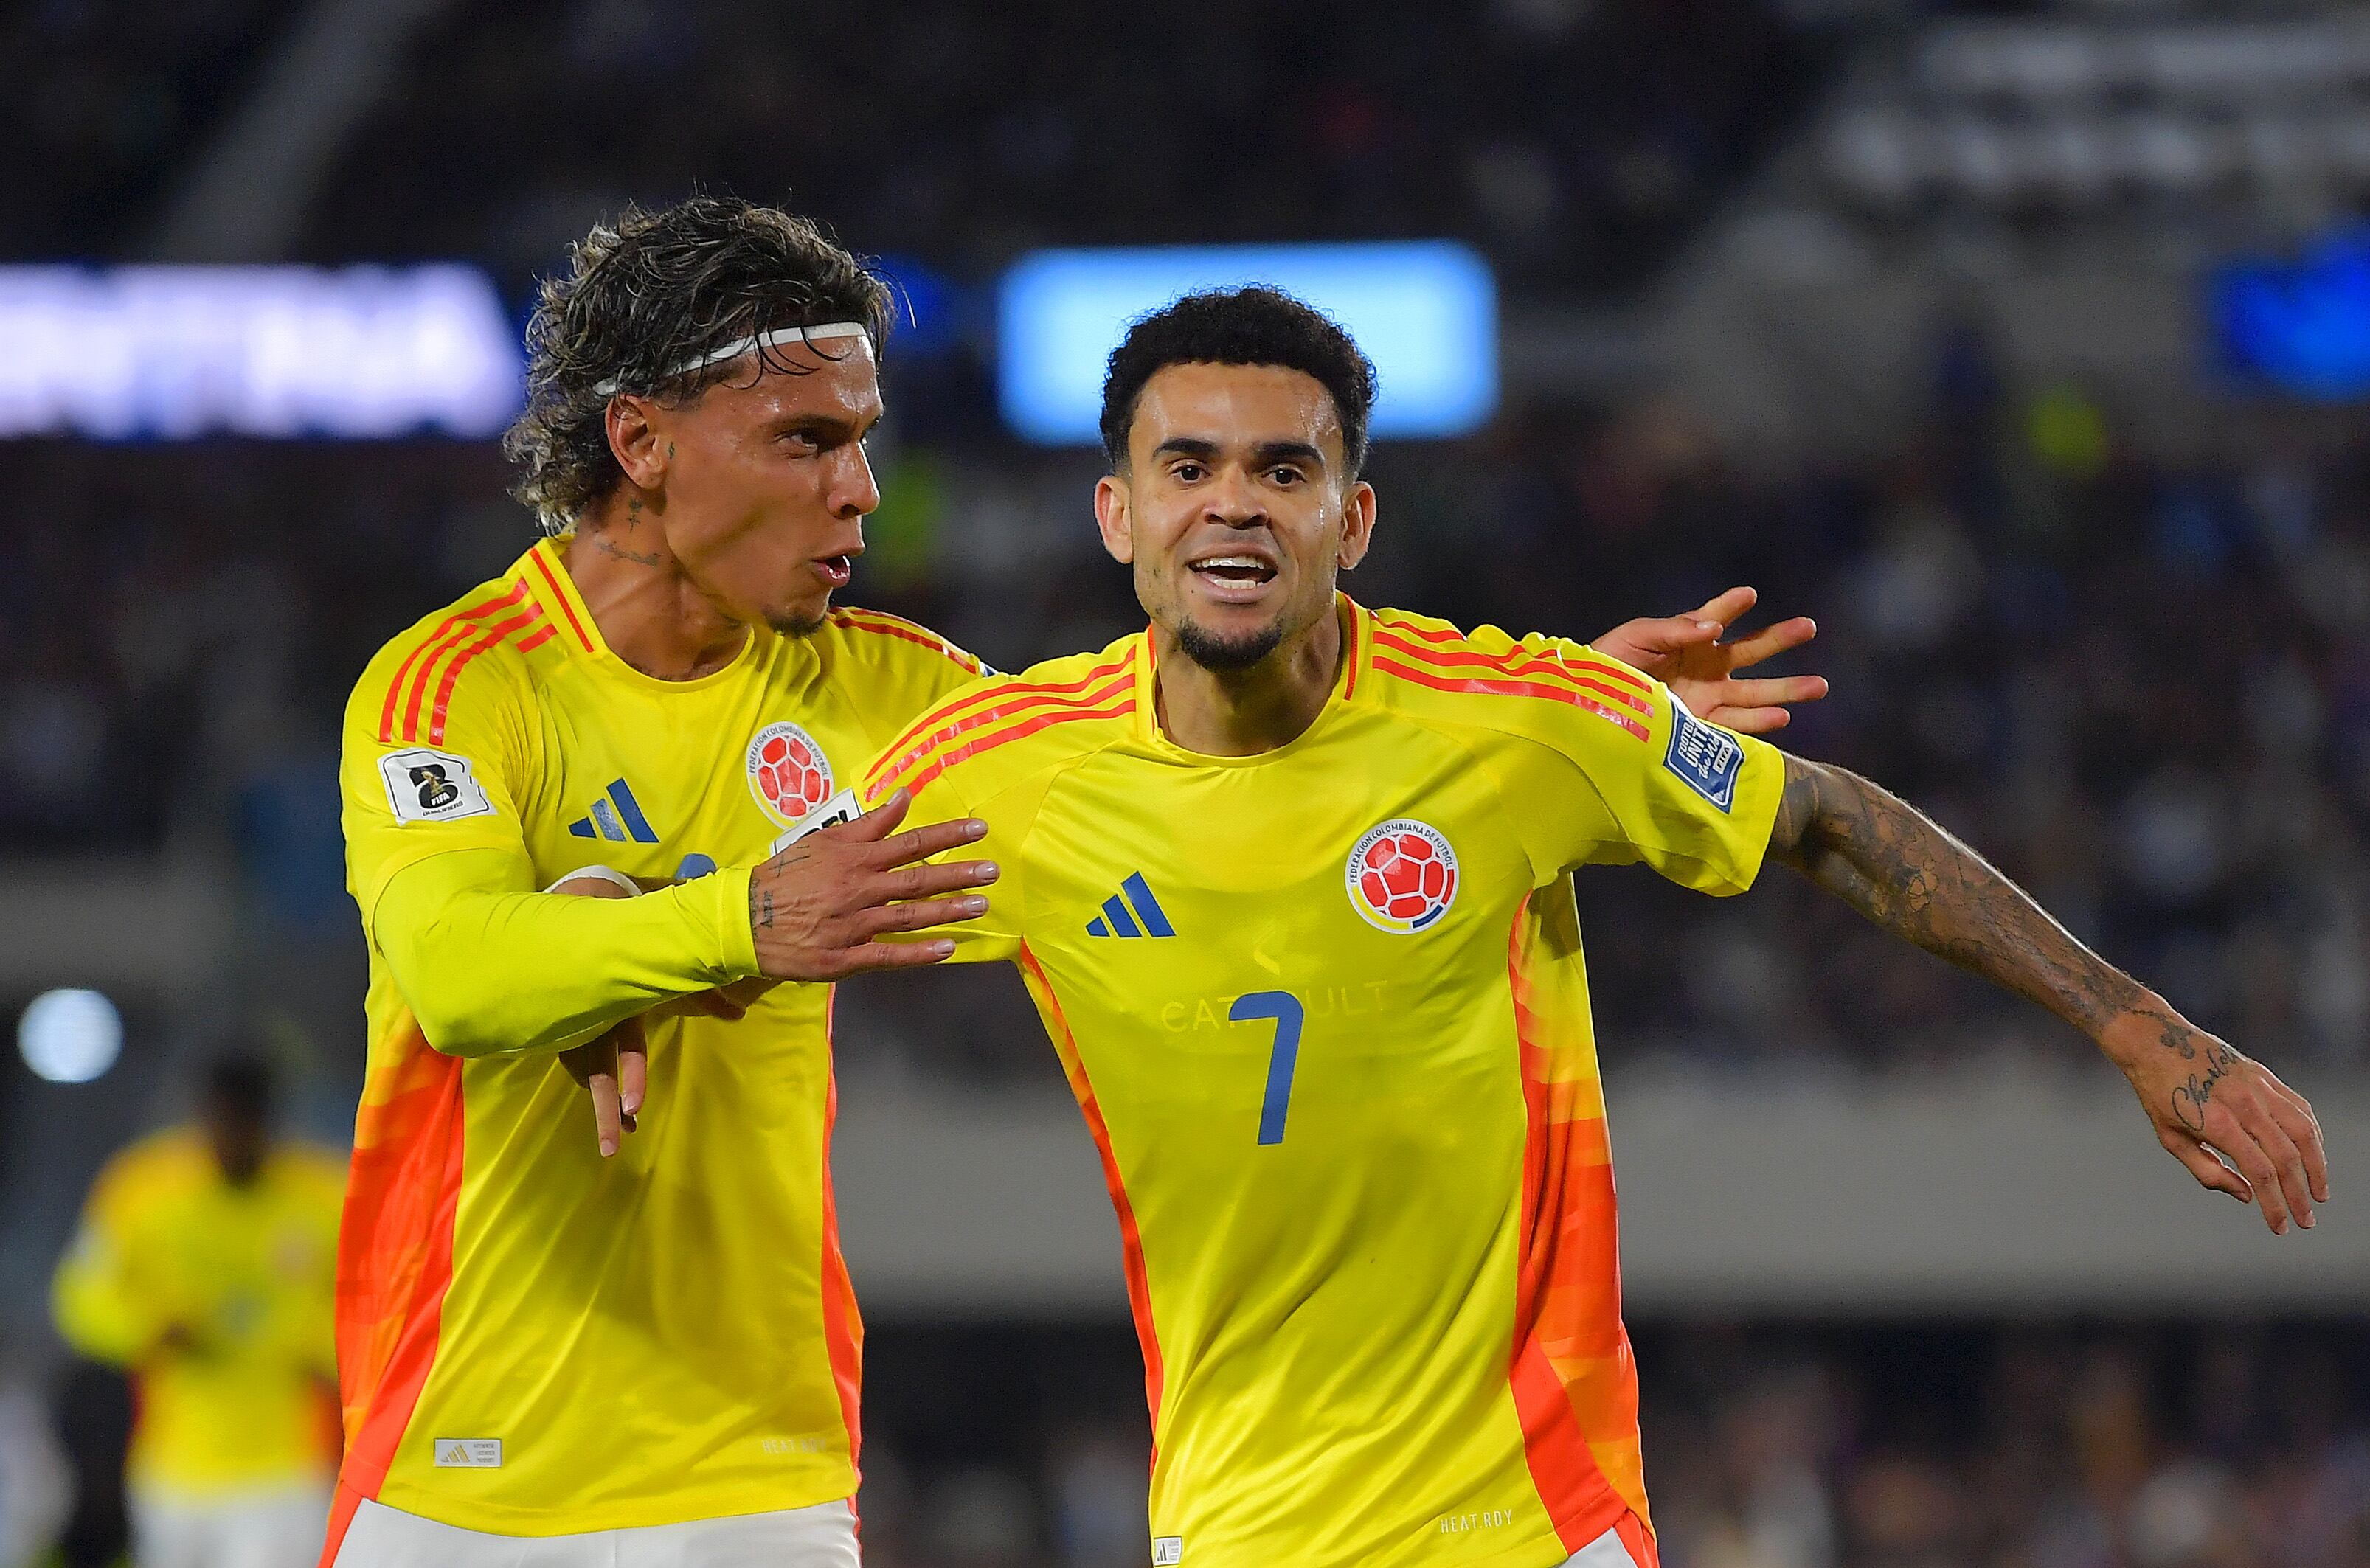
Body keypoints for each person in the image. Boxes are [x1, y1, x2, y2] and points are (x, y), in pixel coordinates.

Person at [341, 195, 1820, 1568]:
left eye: (863, 436)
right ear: (643, 442)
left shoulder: (893, 695)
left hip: (762, 1470)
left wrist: (1538, 717)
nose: (863, 487)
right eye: (807, 440)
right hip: (461, 1466)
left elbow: (1182, 762)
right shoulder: (461, 686)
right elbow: (461, 971)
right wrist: (722, 922)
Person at [827, 288, 2326, 1568]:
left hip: (1526, 1521)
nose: (1232, 501)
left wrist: (2143, 1029)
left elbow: (1827, 822)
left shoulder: (1522, 725)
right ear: (1118, 513)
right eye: (1187, 464)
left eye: (1282, 469)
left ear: (1350, 520)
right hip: (1228, 1524)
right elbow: (763, 915)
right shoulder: (999, 771)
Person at [53, 1054, 344, 1568]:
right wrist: (149, 1330)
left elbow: (373, 1307)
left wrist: (312, 1341)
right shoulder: (142, 1190)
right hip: (171, 1468)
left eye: (245, 1125)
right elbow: (79, 1299)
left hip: (286, 1471)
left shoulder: (324, 1197)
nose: (231, 1140)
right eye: (221, 1124)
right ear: (200, 1117)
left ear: (269, 1122)